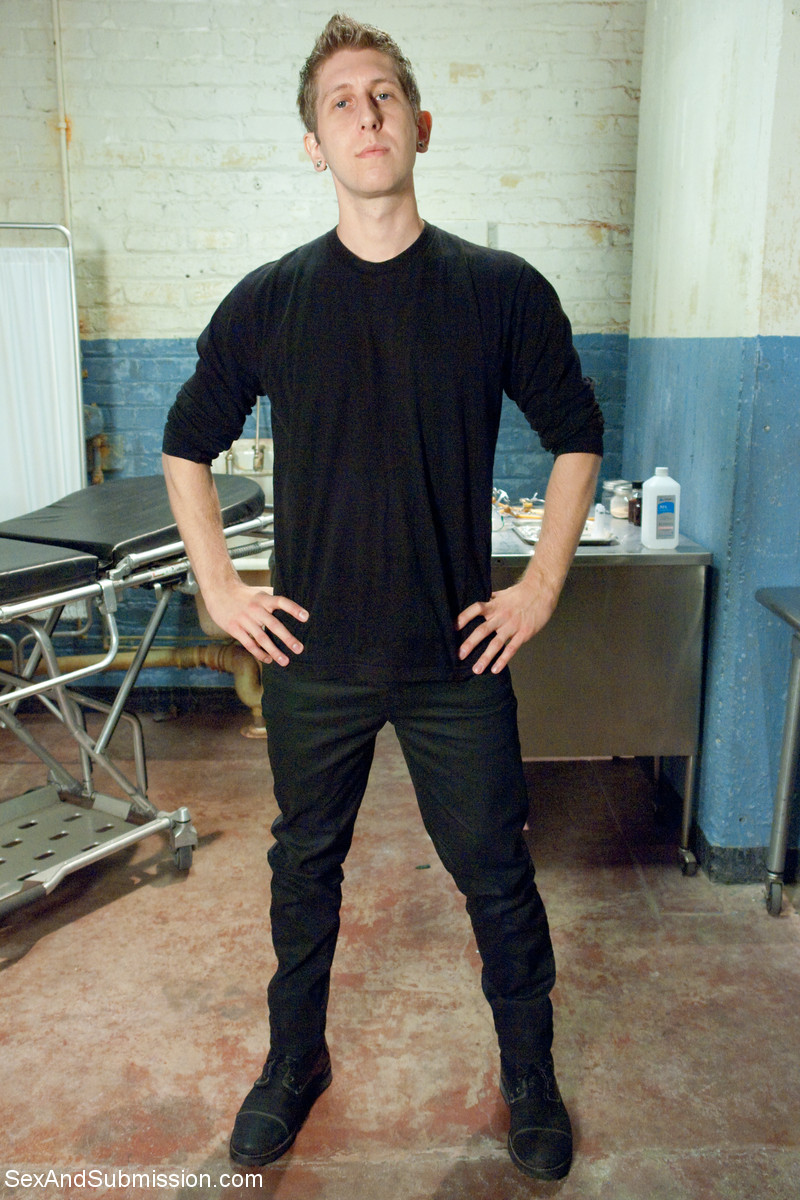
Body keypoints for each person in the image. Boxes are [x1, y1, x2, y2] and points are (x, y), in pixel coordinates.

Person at [162, 13, 602, 1182]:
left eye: (382, 95)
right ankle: (293, 1061)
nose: (364, 114)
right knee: (304, 868)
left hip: (457, 656)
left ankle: (527, 1075)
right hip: (315, 656)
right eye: (339, 102)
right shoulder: (271, 300)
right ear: (315, 145)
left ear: (420, 124)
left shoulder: (497, 291)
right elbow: (185, 442)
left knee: (495, 875)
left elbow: (576, 432)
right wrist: (218, 586)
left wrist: (539, 585)